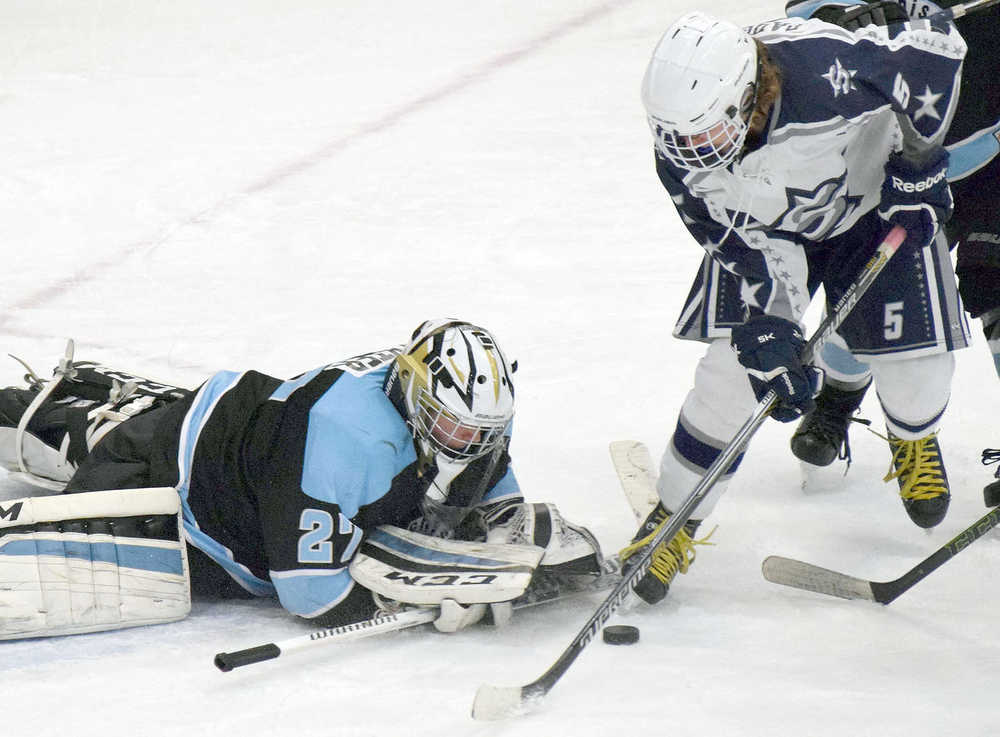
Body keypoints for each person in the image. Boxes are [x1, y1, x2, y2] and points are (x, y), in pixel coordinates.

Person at [620, 10, 969, 604]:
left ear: (746, 94)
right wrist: (773, 328)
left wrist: (916, 166)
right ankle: (674, 517)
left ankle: (912, 438)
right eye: (676, 137)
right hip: (770, 238)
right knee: (731, 379)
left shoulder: (829, 68)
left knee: (916, 372)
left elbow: (936, 53)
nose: (689, 153)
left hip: (870, 214)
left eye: (701, 134)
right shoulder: (679, 157)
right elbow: (740, 249)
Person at [0, 320, 603, 636]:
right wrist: (404, 596)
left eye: (482, 433)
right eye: (457, 431)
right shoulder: (345, 440)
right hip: (180, 485)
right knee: (68, 445)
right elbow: (311, 595)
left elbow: (489, 491)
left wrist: (517, 536)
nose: (471, 445)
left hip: (247, 428)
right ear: (416, 397)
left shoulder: (466, 420)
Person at [783, 0, 1000, 499]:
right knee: (875, 286)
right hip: (898, 156)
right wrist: (833, 18)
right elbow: (796, 23)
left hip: (990, 153)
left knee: (996, 280)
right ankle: (837, 398)